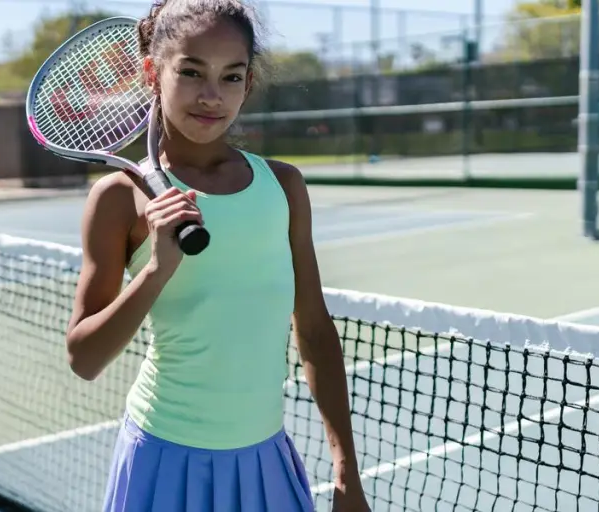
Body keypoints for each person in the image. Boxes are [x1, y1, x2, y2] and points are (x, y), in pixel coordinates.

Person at [64, 1, 371, 510]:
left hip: (263, 461)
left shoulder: (284, 185)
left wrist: (346, 471)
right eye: (190, 72)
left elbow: (314, 330)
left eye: (231, 77)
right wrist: (158, 270)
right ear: (151, 72)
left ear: (248, 85)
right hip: (163, 461)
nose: (211, 96)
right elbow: (84, 358)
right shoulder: (118, 197)